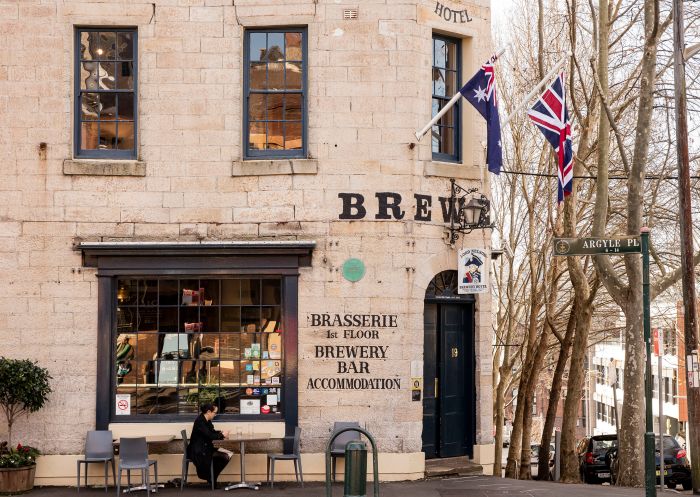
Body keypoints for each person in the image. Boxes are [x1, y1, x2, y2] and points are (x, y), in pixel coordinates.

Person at [187, 403, 231, 488]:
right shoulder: (200, 421)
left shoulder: (207, 420)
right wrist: (222, 435)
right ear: (208, 412)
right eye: (215, 412)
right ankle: (212, 479)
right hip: (199, 451)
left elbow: (211, 432)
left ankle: (212, 478)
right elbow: (210, 435)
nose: (215, 414)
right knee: (225, 456)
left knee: (228, 454)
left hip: (205, 447)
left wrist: (221, 433)